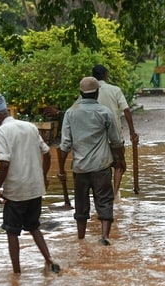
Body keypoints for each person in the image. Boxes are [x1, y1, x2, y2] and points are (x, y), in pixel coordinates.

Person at [0, 94, 60, 274]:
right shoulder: (30, 126)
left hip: (16, 191)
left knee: (12, 231)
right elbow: (47, 154)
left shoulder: (1, 131)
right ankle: (49, 260)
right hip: (35, 189)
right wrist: (44, 176)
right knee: (34, 227)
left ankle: (16, 273)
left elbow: (4, 162)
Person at [57, 77, 125, 246]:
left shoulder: (70, 113)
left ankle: (81, 239)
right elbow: (116, 141)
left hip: (80, 168)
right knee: (104, 202)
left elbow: (65, 145)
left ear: (80, 93)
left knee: (81, 205)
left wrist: (61, 168)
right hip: (101, 166)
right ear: (97, 93)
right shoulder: (105, 112)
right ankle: (104, 237)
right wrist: (121, 159)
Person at [92, 64, 139, 198]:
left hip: (97, 137)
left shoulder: (89, 92)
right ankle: (115, 192)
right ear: (106, 75)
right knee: (119, 165)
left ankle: (103, 194)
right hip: (115, 135)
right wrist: (132, 132)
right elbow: (127, 110)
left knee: (102, 168)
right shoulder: (115, 90)